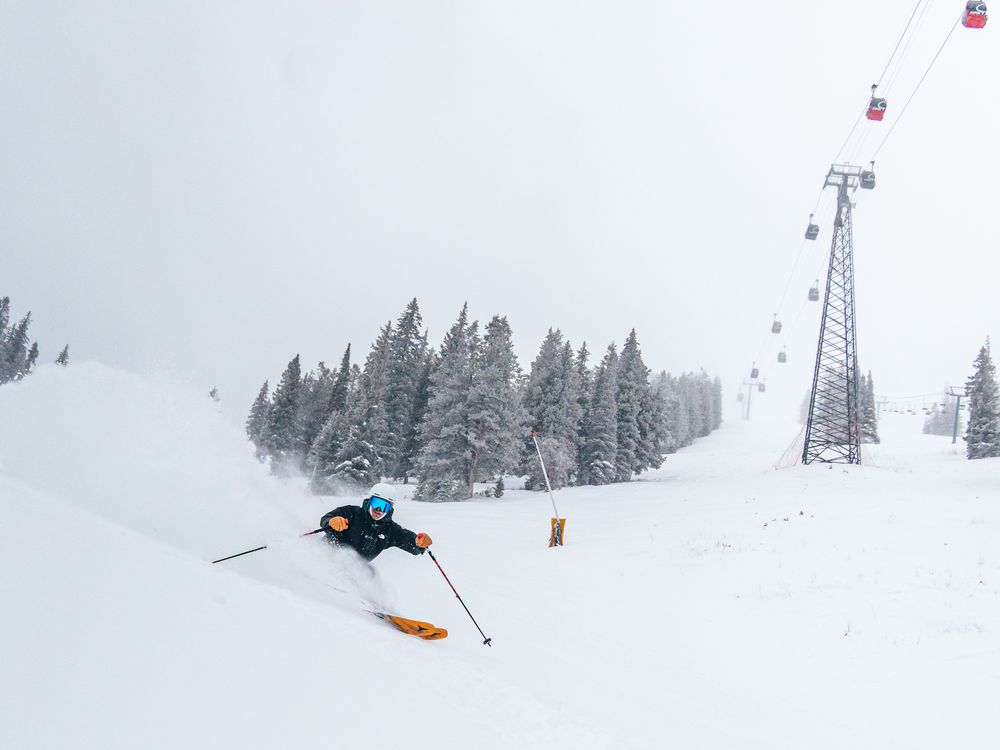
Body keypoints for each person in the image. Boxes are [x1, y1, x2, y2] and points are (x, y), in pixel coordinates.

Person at [320, 482, 432, 562]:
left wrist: (419, 544)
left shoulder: (390, 530)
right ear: (369, 501)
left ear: (390, 509)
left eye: (384, 506)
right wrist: (331, 522)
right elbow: (326, 519)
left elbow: (412, 543)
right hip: (323, 555)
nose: (378, 509)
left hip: (352, 570)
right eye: (376, 503)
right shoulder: (352, 513)